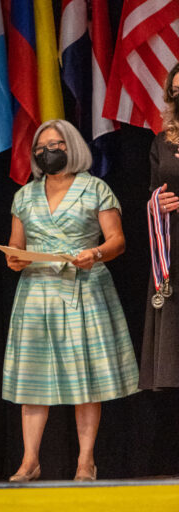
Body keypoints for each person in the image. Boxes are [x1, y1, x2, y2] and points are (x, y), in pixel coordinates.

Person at [3, 120, 139, 482]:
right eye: (41, 146)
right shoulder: (24, 195)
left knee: (85, 378)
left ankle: (85, 462)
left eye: (57, 143)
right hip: (36, 293)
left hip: (84, 288)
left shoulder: (96, 189)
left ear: (72, 147)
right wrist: (14, 257)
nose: (48, 150)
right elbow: (17, 245)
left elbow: (117, 242)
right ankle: (30, 460)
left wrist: (94, 253)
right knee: (32, 378)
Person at [140, 63, 179, 390]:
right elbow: (154, 190)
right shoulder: (162, 142)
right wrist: (158, 204)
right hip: (174, 256)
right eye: (176, 92)